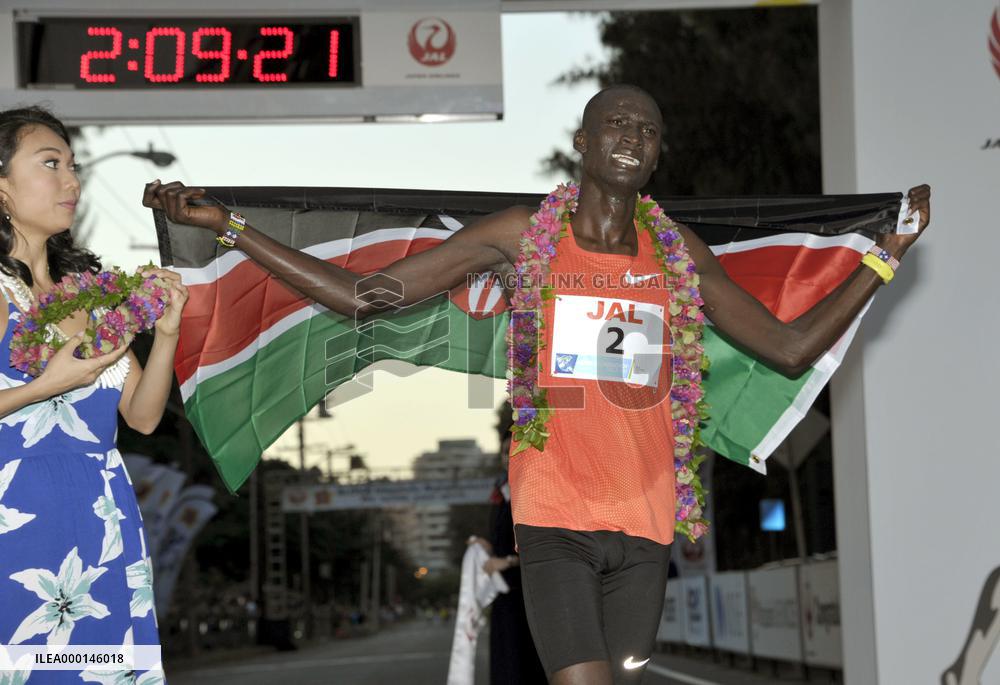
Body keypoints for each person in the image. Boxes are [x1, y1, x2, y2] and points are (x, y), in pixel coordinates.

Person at [145, 84, 931, 684]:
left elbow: (789, 348)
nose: (633, 137)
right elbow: (363, 295)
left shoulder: (678, 252)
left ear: (658, 155)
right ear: (583, 143)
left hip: (647, 525)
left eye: (648, 130)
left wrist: (885, 257)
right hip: (556, 518)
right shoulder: (523, 234)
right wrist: (231, 229)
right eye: (617, 123)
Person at [0, 106, 188, 682]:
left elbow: (142, 416)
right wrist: (44, 388)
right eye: (50, 164)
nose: (72, 182)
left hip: (101, 519)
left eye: (73, 166)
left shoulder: (90, 296)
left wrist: (167, 334)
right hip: (18, 520)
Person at [467, 403, 546, 685]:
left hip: (534, 597)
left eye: (513, 449)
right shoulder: (501, 492)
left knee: (532, 669)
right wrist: (487, 547)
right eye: (503, 452)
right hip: (506, 598)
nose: (507, 456)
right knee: (506, 668)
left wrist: (508, 561)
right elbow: (505, 542)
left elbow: (546, 545)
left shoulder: (537, 490)